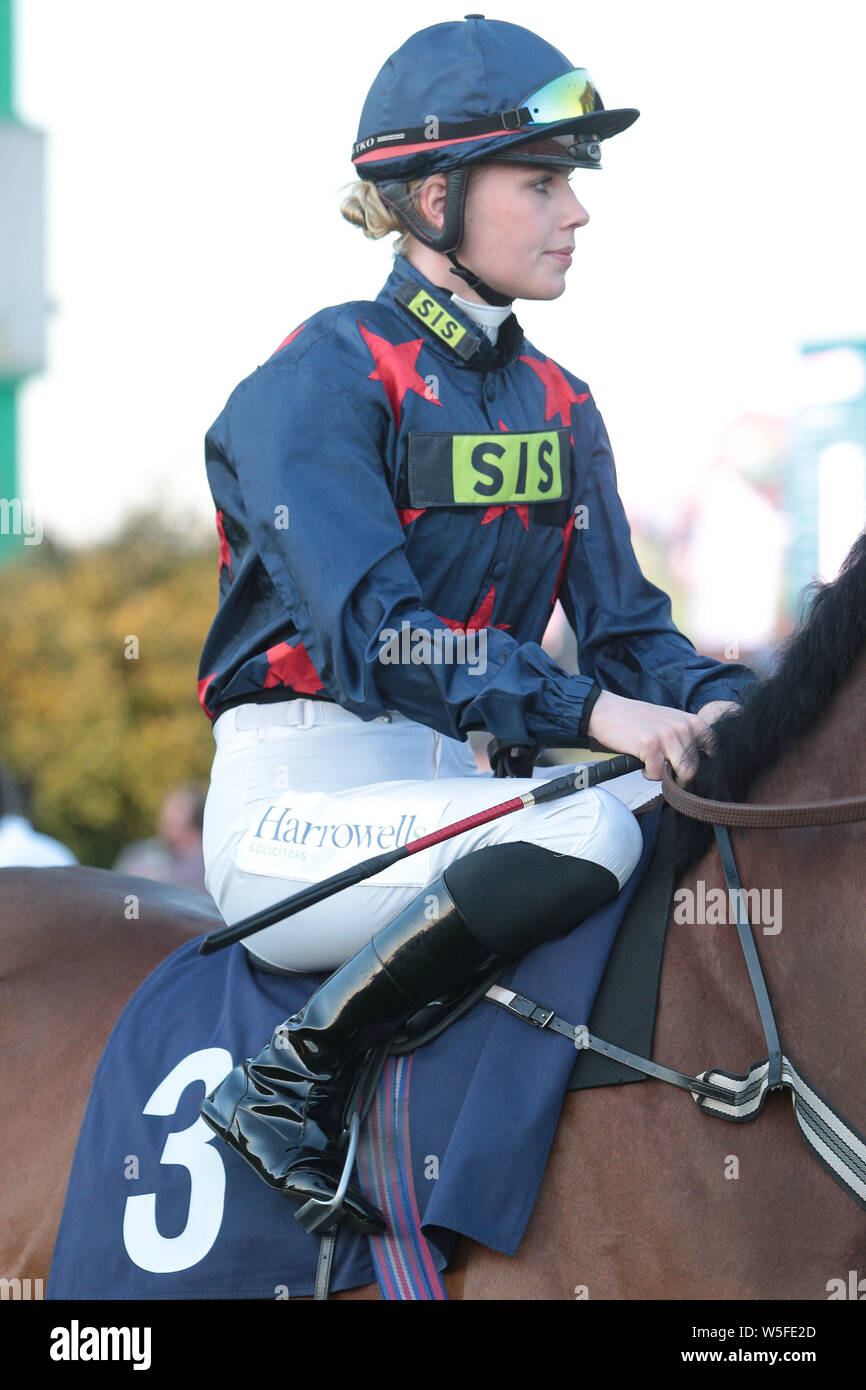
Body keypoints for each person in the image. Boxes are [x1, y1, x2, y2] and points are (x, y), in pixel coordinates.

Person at [196, 17, 756, 1234]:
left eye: (572, 181)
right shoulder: (315, 380)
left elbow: (628, 639)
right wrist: (588, 712)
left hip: (475, 803)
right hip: (300, 810)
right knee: (599, 836)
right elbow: (383, 639)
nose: (577, 211)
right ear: (434, 197)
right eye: (541, 179)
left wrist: (740, 703)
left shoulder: (563, 402)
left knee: (691, 827)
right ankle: (288, 1078)